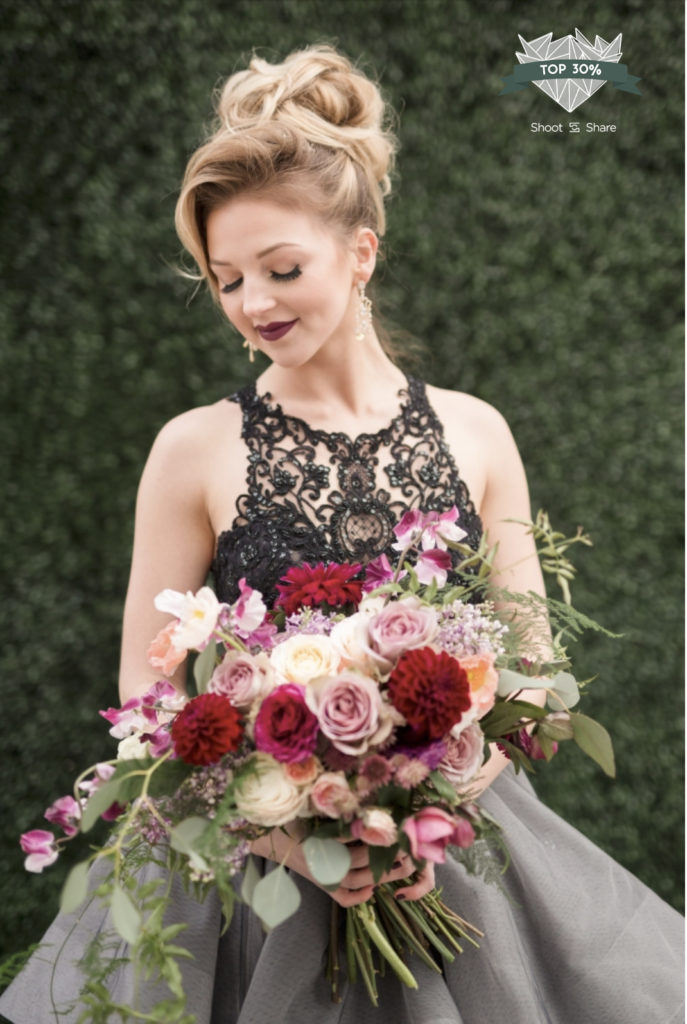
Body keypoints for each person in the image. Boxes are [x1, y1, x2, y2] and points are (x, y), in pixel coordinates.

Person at [0, 44, 682, 1024]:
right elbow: (146, 701)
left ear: (361, 251)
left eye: (281, 268)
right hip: (245, 882)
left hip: (457, 861)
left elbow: (535, 672)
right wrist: (284, 829)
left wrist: (442, 785)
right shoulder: (192, 450)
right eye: (227, 279)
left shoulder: (477, 430)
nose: (254, 304)